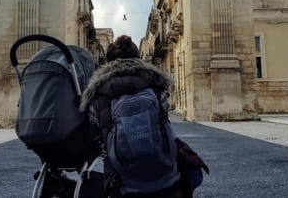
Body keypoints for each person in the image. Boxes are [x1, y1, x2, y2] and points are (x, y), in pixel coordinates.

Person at [79, 35, 208, 198]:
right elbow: (164, 122)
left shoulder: (97, 95)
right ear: (137, 57)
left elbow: (94, 136)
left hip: (122, 183)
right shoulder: (154, 85)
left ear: (108, 61)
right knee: (194, 174)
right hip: (165, 177)